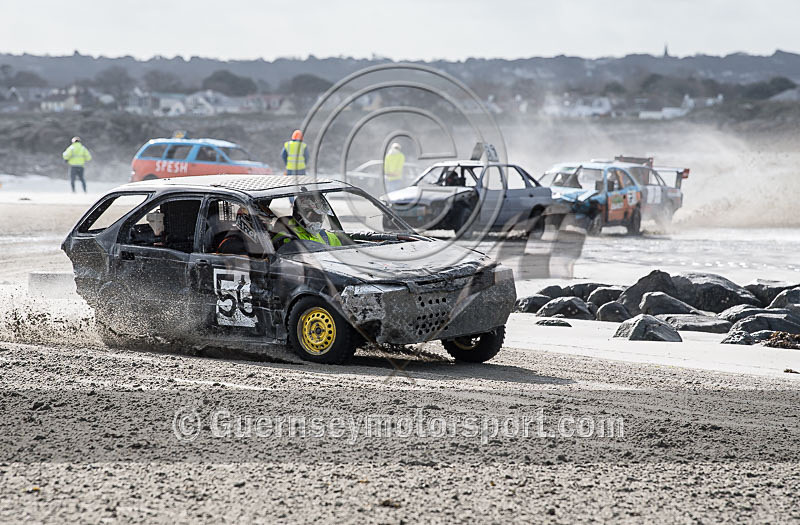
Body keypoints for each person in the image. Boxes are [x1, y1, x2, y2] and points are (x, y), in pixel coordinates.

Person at [272, 193, 342, 247]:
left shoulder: (330, 237)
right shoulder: (285, 239)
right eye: (313, 215)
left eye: (320, 216)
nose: (317, 220)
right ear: (299, 215)